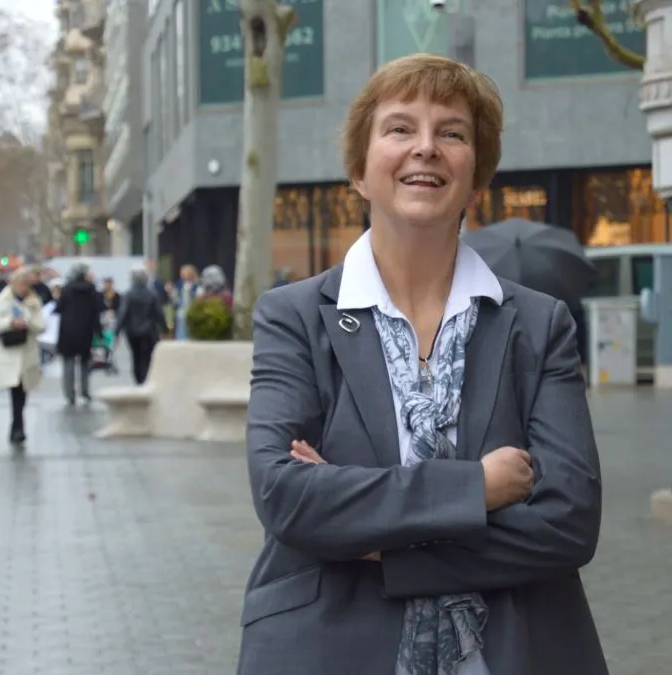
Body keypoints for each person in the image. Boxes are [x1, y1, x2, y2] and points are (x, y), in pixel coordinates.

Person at [239, 54, 606, 675]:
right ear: (359, 172)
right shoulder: (293, 318)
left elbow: (569, 524)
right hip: (327, 650)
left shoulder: (540, 325)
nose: (426, 147)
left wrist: (389, 549)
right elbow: (287, 497)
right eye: (400, 128)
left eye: (452, 133)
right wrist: (477, 488)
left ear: (475, 178)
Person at [0, 267, 45, 445]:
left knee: (23, 388)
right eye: (19, 284)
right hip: (9, 351)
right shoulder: (1, 300)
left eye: (26, 284)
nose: (23, 288)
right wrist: (10, 323)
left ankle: (18, 424)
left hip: (28, 352)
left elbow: (42, 326)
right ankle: (17, 424)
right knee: (15, 389)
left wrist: (27, 322)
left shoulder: (34, 301)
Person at [53, 264, 103, 405]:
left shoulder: (67, 289)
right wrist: (99, 332)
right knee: (85, 363)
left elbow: (59, 308)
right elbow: (98, 309)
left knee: (68, 363)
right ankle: (85, 391)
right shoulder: (92, 290)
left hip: (68, 331)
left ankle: (69, 394)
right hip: (86, 331)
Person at [116, 269, 167, 384]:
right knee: (147, 356)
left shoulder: (128, 295)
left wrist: (117, 330)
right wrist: (164, 328)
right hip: (149, 331)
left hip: (132, 331)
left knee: (135, 356)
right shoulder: (152, 294)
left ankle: (138, 379)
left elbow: (123, 313)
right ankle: (145, 377)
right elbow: (159, 313)